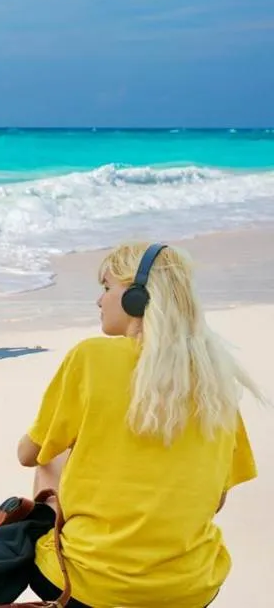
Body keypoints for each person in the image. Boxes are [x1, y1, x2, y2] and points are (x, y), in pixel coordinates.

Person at [16, 242, 264, 607]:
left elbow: (27, 454)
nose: (99, 301)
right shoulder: (216, 378)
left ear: (137, 297)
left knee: (51, 456)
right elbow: (215, 501)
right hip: (189, 588)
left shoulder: (90, 357)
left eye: (106, 288)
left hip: (86, 586)